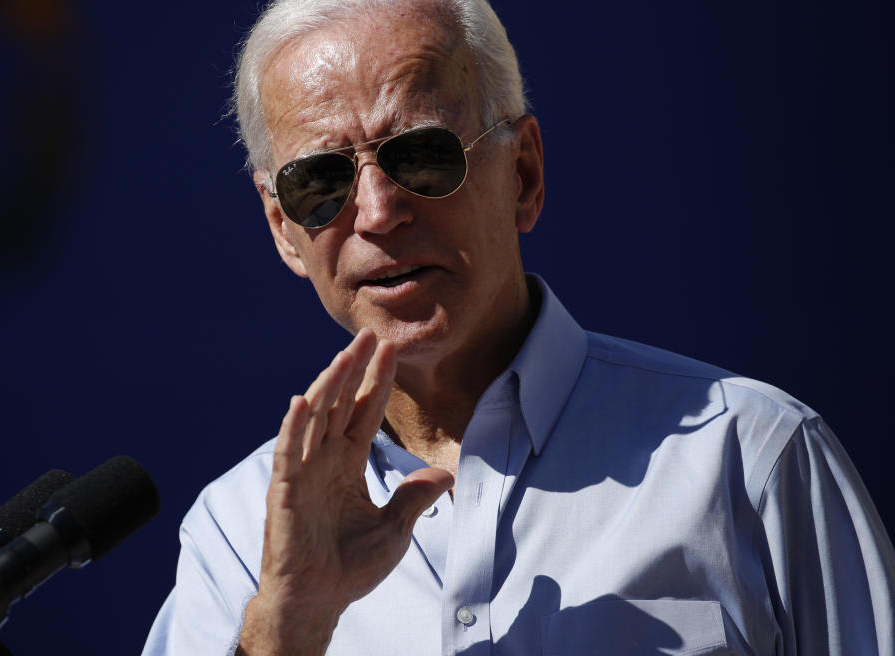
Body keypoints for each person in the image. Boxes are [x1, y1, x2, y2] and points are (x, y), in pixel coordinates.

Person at [142, 0, 895, 654]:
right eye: (321, 181)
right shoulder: (240, 532)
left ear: (523, 175)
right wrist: (284, 632)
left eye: (423, 157)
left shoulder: (748, 460)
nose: (377, 213)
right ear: (283, 230)